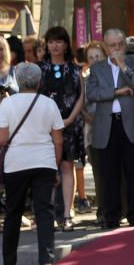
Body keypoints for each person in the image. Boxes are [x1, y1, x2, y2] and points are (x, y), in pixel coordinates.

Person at [0, 63, 63, 265]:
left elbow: (1, 139)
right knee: (44, 211)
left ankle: (8, 263)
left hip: (16, 163)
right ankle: (46, 261)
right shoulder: (49, 104)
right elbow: (58, 140)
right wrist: (56, 164)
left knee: (13, 212)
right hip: (44, 161)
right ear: (39, 81)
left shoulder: (8, 104)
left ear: (18, 80)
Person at [86, 28, 134, 229]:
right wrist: (117, 91)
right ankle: (111, 216)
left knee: (133, 171)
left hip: (131, 123)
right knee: (109, 173)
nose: (116, 49)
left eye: (120, 44)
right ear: (105, 46)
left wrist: (123, 67)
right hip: (107, 125)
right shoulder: (97, 68)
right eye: (112, 45)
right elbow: (92, 93)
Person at [38, 26, 86, 231]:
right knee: (46, 170)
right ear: (47, 45)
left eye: (59, 41)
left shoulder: (75, 69)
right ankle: (46, 216)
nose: (55, 45)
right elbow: (34, 96)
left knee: (67, 167)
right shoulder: (39, 69)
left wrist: (69, 119)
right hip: (43, 127)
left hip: (69, 124)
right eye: (51, 42)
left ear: (66, 44)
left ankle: (67, 213)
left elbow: (81, 97)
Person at [81, 42, 109, 227]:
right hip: (92, 131)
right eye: (90, 57)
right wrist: (87, 116)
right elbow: (80, 105)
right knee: (99, 172)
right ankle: (102, 211)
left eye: (97, 56)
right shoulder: (84, 80)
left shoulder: (111, 76)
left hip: (111, 127)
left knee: (113, 171)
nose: (94, 60)